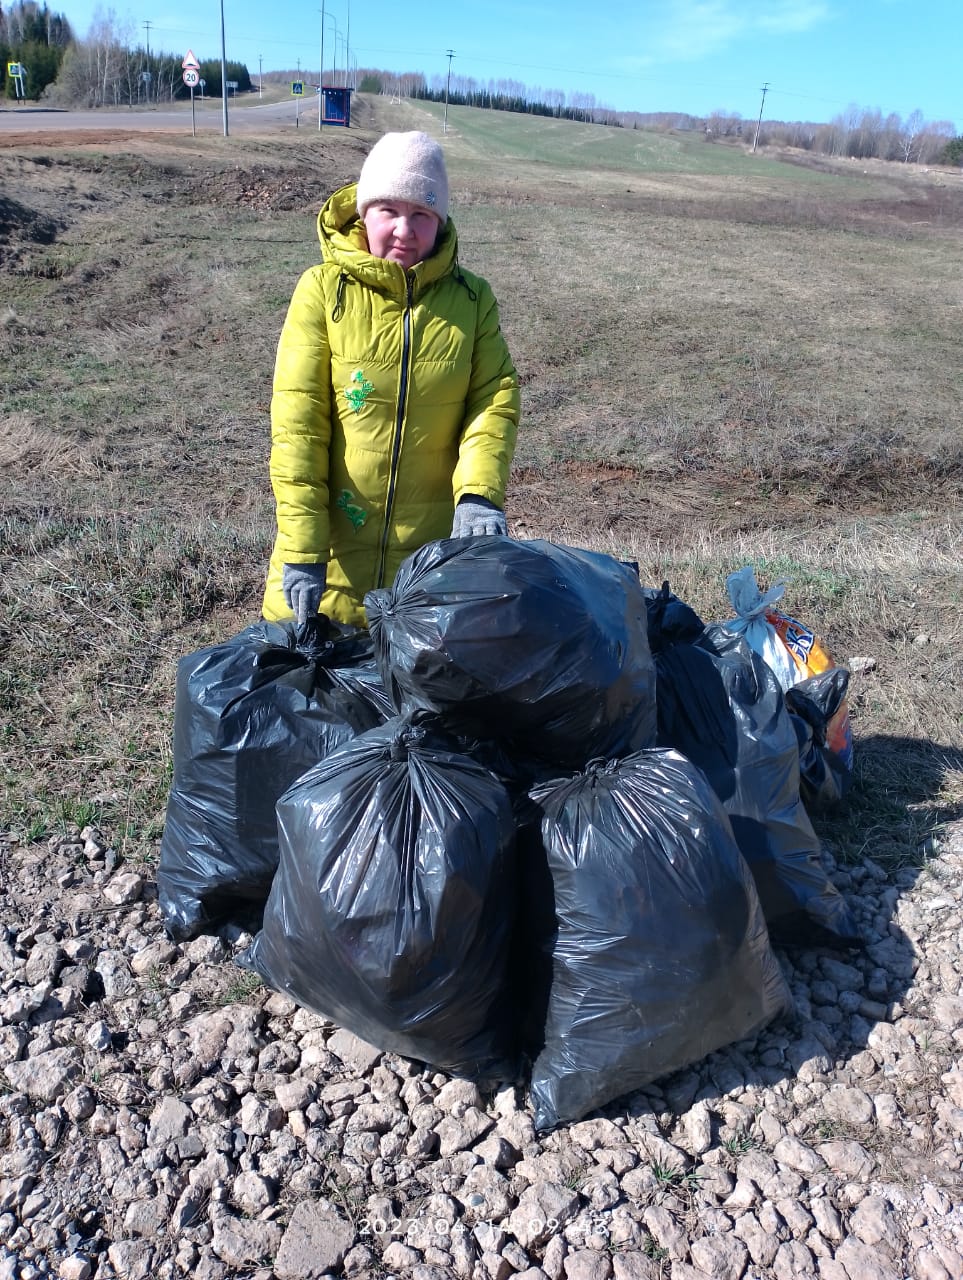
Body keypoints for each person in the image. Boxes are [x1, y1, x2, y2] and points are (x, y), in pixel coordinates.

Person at [262, 130, 521, 629]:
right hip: (328, 566)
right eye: (389, 211)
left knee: (417, 694)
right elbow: (298, 430)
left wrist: (478, 495)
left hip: (425, 565)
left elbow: (494, 400)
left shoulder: (471, 301)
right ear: (363, 214)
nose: (404, 229)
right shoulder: (322, 291)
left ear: (440, 221)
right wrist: (301, 548)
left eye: (421, 214)